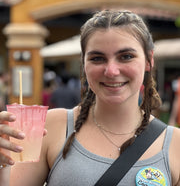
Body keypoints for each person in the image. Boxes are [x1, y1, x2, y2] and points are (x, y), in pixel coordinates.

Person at [0, 10, 180, 186]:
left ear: (149, 61)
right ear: (84, 64)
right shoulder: (52, 127)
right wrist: (2, 164)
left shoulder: (175, 144)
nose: (111, 71)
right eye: (97, 58)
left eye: (126, 57)